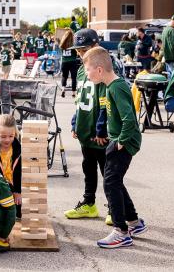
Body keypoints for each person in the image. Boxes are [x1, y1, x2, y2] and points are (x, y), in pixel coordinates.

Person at [82, 47, 145, 249]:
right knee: (115, 181)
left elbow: (129, 120)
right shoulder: (110, 86)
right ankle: (134, 222)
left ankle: (121, 231)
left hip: (123, 142)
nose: (87, 74)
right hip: (117, 139)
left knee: (110, 183)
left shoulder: (117, 87)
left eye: (88, 69)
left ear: (99, 70)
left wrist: (120, 141)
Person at [63, 28, 111, 225]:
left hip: (98, 129)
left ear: (95, 46)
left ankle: (113, 206)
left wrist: (102, 127)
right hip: (85, 125)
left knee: (107, 171)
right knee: (88, 167)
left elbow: (106, 99)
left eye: (83, 49)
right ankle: (89, 203)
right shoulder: (83, 67)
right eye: (78, 50)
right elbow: (81, 98)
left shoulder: (104, 65)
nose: (80, 53)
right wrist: (76, 122)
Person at [0, 114, 22, 218]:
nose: (7, 140)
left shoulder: (19, 150)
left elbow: (20, 173)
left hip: (16, 188)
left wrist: (17, 191)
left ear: (15, 134)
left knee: (19, 214)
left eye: (11, 136)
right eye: (3, 137)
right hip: (0, 189)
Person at [59, 29, 79, 98]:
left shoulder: (62, 43)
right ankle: (73, 93)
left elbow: (61, 51)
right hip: (72, 61)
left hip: (64, 62)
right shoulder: (73, 43)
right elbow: (76, 53)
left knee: (64, 76)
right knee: (74, 78)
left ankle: (63, 89)